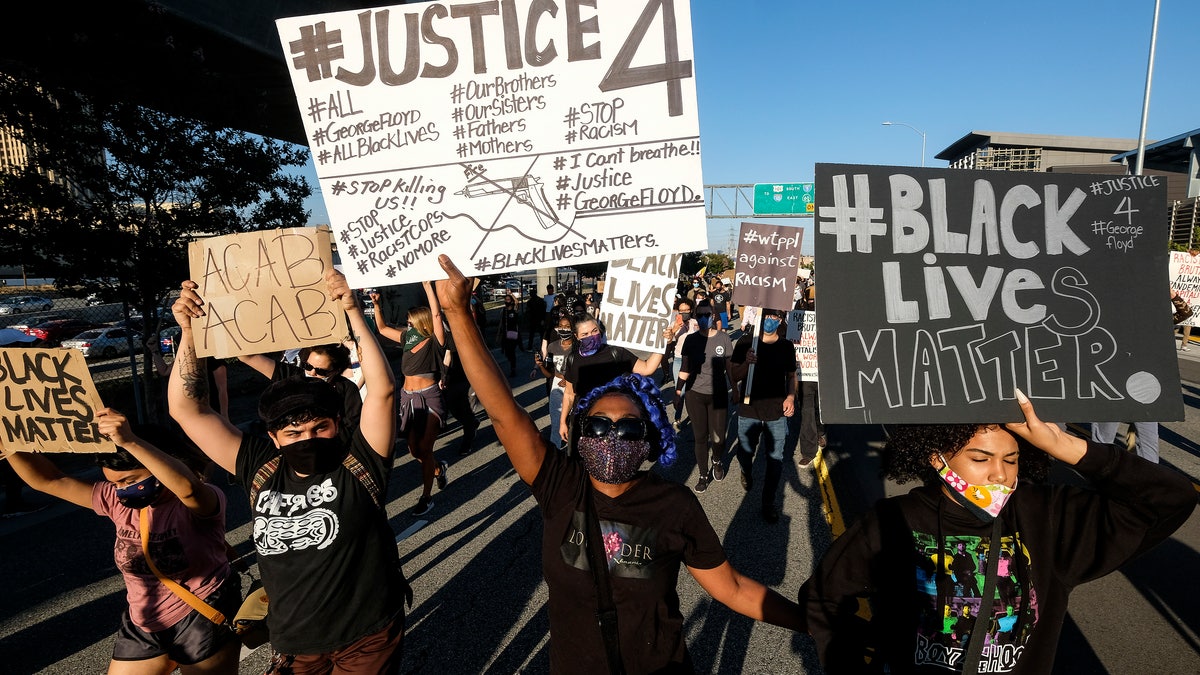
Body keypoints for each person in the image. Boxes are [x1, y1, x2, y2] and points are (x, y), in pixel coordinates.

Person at [432, 254, 805, 673]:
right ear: (580, 432)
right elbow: (503, 413)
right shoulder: (560, 485)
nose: (611, 436)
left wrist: (810, 622)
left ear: (648, 442)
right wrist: (457, 315)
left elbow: (733, 588)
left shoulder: (674, 505)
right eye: (598, 427)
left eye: (627, 429)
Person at [800, 390, 1196, 673]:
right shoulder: (893, 520)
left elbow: (1171, 499)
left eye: (1012, 458)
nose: (1000, 474)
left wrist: (1065, 445)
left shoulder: (1047, 517)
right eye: (980, 457)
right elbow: (824, 599)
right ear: (936, 456)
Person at [169, 269, 410, 673]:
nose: (308, 439)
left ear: (336, 425)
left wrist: (353, 310)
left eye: (320, 428)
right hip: (294, 643)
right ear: (275, 438)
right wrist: (189, 332)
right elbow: (187, 409)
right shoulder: (260, 467)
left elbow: (383, 391)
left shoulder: (359, 464)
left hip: (365, 638)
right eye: (294, 432)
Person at [4, 411, 240, 675]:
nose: (121, 491)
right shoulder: (114, 500)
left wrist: (129, 441)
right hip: (143, 623)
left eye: (130, 481)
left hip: (202, 616)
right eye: (114, 483)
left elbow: (188, 488)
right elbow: (50, 480)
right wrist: (9, 444)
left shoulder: (200, 501)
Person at [374, 282, 450, 515]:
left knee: (424, 448)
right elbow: (383, 329)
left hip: (429, 398)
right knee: (415, 451)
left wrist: (428, 286)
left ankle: (426, 497)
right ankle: (438, 468)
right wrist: (376, 305)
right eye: (407, 323)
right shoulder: (408, 337)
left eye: (410, 322)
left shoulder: (436, 341)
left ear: (422, 323)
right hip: (407, 398)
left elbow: (436, 313)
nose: (407, 326)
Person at [558, 314, 666, 447]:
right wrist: (563, 422)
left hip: (612, 426)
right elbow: (569, 394)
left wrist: (663, 342)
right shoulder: (572, 359)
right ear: (577, 336)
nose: (591, 336)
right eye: (585, 334)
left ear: (600, 330)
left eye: (594, 331)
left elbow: (647, 368)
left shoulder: (616, 353)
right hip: (582, 423)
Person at [730, 308, 797, 523]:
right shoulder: (745, 342)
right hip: (749, 409)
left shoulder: (786, 346)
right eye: (766, 316)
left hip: (776, 412)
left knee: (775, 459)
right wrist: (746, 364)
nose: (770, 321)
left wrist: (790, 397)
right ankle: (746, 471)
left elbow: (792, 375)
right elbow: (734, 375)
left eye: (774, 317)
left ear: (780, 321)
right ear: (759, 318)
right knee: (745, 452)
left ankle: (768, 502)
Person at [238, 342, 362, 439]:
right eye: (308, 366)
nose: (312, 373)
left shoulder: (346, 389)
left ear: (335, 371)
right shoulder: (292, 375)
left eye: (321, 371)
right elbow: (246, 357)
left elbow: (351, 426)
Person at [677, 305, 734, 493]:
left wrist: (736, 389)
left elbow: (729, 366)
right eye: (699, 315)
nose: (703, 318)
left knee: (718, 438)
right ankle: (703, 474)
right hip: (695, 394)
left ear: (713, 316)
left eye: (707, 315)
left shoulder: (723, 338)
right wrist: (678, 391)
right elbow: (684, 367)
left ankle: (717, 460)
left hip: (718, 394)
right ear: (695, 316)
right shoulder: (691, 340)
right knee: (700, 437)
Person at [535, 313, 576, 450]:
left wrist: (569, 379)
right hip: (556, 388)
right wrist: (540, 365)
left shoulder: (578, 348)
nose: (564, 329)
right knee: (556, 421)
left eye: (567, 326)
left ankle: (573, 451)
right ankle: (556, 452)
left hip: (574, 389)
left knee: (573, 422)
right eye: (561, 326)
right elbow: (550, 374)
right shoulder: (552, 347)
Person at [497, 293, 521, 377]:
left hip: (513, 334)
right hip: (505, 334)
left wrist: (511, 294)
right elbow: (501, 322)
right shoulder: (503, 310)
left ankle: (513, 368)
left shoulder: (514, 309)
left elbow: (517, 302)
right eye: (505, 300)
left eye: (508, 299)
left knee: (511, 351)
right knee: (507, 352)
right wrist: (498, 334)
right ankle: (511, 361)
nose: (507, 301)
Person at [524, 287, 545, 351]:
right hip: (538, 319)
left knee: (532, 334)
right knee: (541, 334)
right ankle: (543, 346)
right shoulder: (540, 300)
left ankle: (530, 347)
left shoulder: (529, 302)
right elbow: (543, 310)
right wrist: (543, 319)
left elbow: (527, 311)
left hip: (533, 319)